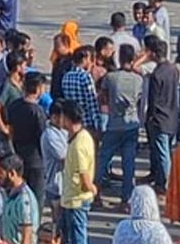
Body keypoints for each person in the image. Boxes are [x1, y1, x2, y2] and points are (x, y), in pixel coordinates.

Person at [96, 45, 142, 205]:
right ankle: (126, 199)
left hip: (114, 123)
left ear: (120, 58)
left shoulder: (111, 77)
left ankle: (96, 193)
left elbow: (102, 97)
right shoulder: (138, 79)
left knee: (103, 160)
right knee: (128, 163)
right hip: (132, 124)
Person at [6, 71, 48, 202]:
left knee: (19, 195)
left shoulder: (14, 106)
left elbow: (10, 129)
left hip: (18, 154)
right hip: (36, 160)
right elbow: (42, 138)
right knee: (36, 198)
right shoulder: (38, 111)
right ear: (39, 88)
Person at [146, 38, 180, 194]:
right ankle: (161, 180)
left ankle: (167, 183)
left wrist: (150, 118)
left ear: (153, 54)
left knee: (163, 154)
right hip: (173, 115)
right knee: (167, 151)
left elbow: (152, 100)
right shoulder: (174, 70)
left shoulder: (156, 74)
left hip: (160, 117)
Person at [60, 100, 96, 244]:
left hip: (76, 201)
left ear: (67, 119)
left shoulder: (79, 144)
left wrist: (91, 189)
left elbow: (84, 175)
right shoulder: (82, 136)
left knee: (77, 238)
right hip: (71, 198)